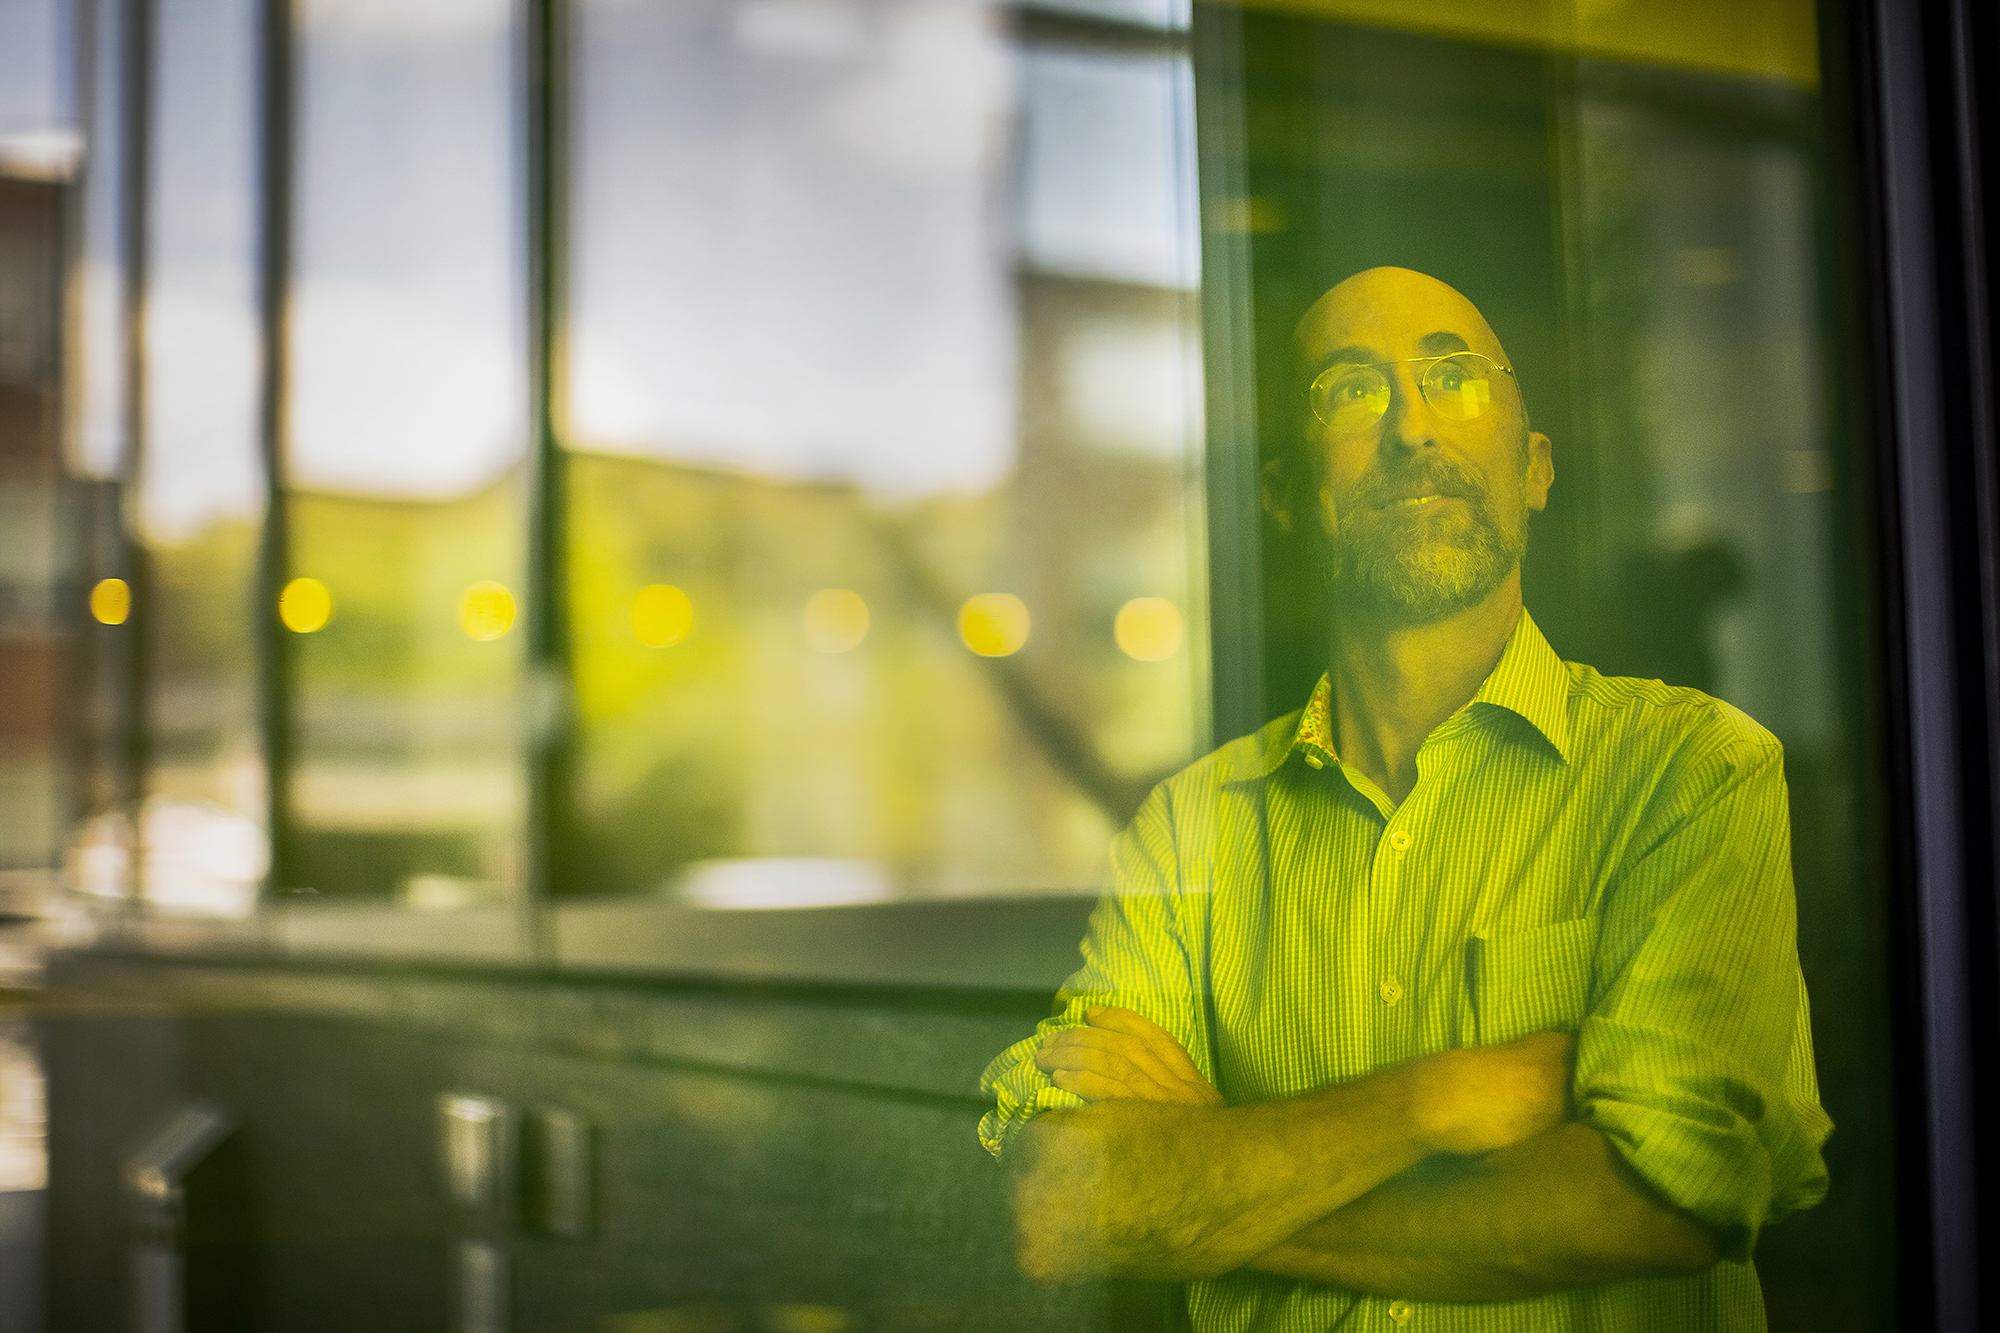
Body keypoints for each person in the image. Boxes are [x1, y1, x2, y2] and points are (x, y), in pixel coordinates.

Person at [977, 266, 1830, 1332]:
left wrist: (1229, 1166)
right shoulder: (1185, 830)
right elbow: (1061, 1204)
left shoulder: (1692, 771)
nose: (1412, 429)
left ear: (1533, 468)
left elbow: (1656, 1203)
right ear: (1285, 496)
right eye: (1350, 390)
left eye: (1453, 380)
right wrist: (1439, 1100)